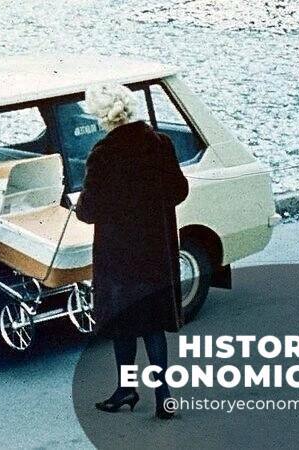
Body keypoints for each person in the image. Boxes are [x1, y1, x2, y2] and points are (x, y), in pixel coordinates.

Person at [74, 84, 189, 420]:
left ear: (102, 117)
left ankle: (126, 389)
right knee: (153, 327)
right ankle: (164, 396)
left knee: (122, 327)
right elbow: (179, 191)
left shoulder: (102, 154)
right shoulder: (160, 143)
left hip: (119, 258)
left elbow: (88, 212)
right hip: (155, 254)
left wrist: (80, 205)